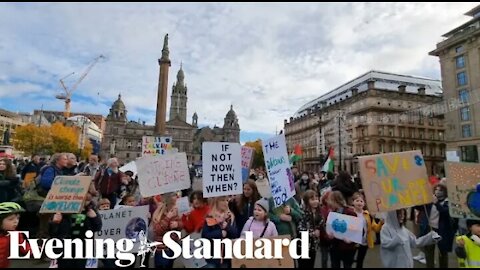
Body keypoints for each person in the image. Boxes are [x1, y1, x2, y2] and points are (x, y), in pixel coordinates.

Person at [49, 193, 102, 268]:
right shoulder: (61, 210)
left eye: (87, 201)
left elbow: (97, 227)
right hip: (64, 247)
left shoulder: (91, 210)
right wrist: (55, 223)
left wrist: (94, 218)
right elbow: (52, 232)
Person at [422, 184, 456, 268]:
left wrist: (437, 203)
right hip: (430, 229)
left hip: (442, 231)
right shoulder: (430, 201)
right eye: (436, 189)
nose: (437, 191)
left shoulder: (447, 202)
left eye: (440, 190)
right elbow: (422, 208)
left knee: (442, 252)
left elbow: (445, 212)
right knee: (429, 252)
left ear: (445, 192)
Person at [202, 196, 237, 268]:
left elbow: (235, 234)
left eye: (227, 200)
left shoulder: (230, 216)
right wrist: (220, 233)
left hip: (226, 256)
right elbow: (205, 236)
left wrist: (227, 227)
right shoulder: (210, 216)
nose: (225, 203)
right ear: (217, 202)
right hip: (212, 256)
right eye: (222, 200)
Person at [350, 192, 383, 268]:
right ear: (353, 202)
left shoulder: (367, 215)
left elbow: (376, 229)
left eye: (361, 201)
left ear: (364, 203)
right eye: (357, 200)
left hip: (364, 242)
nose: (359, 203)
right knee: (349, 261)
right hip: (352, 243)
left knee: (360, 261)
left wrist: (381, 223)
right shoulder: (349, 213)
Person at [326, 191, 357, 268]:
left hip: (347, 247)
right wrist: (329, 236)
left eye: (330, 200)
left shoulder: (350, 212)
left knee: (347, 265)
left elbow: (356, 230)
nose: (328, 203)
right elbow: (328, 230)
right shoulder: (331, 213)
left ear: (335, 201)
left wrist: (351, 239)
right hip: (335, 246)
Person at [152, 193, 182, 268]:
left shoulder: (178, 210)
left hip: (172, 246)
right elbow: (158, 230)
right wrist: (168, 218)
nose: (176, 197)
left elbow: (183, 224)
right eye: (173, 195)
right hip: (162, 248)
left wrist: (177, 224)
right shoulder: (159, 212)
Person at [297, 190, 324, 268]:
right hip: (303, 243)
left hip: (313, 244)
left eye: (316, 198)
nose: (315, 201)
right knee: (304, 265)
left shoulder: (319, 212)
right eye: (312, 199)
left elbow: (321, 224)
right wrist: (312, 233)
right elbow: (300, 228)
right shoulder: (303, 212)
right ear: (307, 201)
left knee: (311, 264)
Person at [0, 202, 30, 268]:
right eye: (11, 219)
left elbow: (26, 249)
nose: (16, 221)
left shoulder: (15, 234)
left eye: (18, 218)